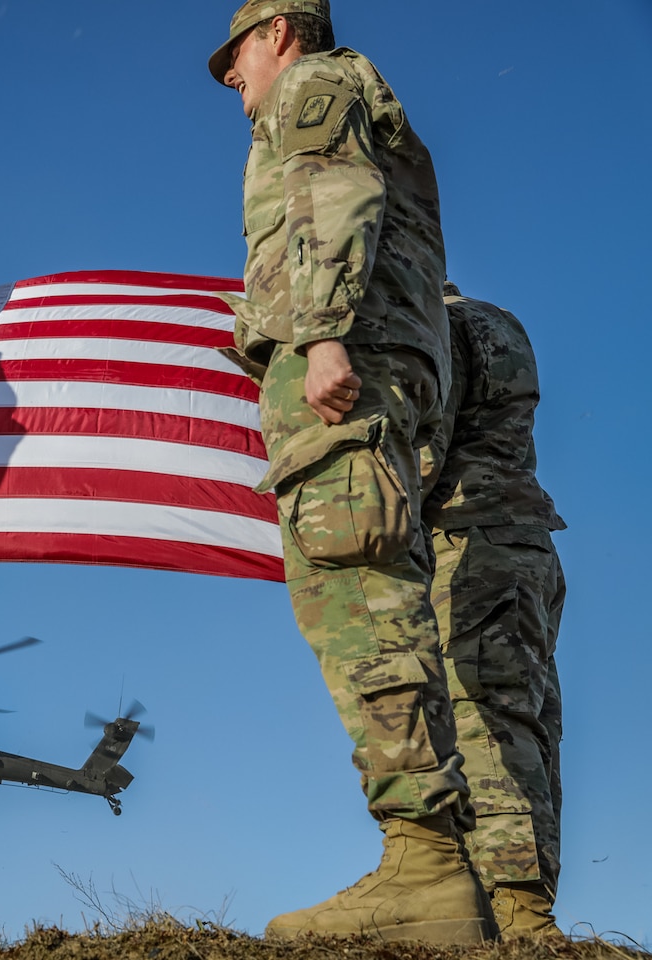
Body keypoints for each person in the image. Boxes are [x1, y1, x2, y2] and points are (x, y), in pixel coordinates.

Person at [207, 0, 494, 942]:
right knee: (377, 582)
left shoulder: (312, 84)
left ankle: (425, 867)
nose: (232, 79)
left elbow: (334, 195)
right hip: (391, 358)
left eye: (237, 55)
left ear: (278, 32)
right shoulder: (357, 93)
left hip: (345, 357)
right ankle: (440, 861)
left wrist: (321, 333)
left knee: (359, 592)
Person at [422, 282, 567, 937]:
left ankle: (515, 909)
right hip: (523, 543)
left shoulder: (438, 329)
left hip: (471, 541)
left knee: (481, 720)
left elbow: (426, 452)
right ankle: (520, 902)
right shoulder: (499, 321)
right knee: (525, 723)